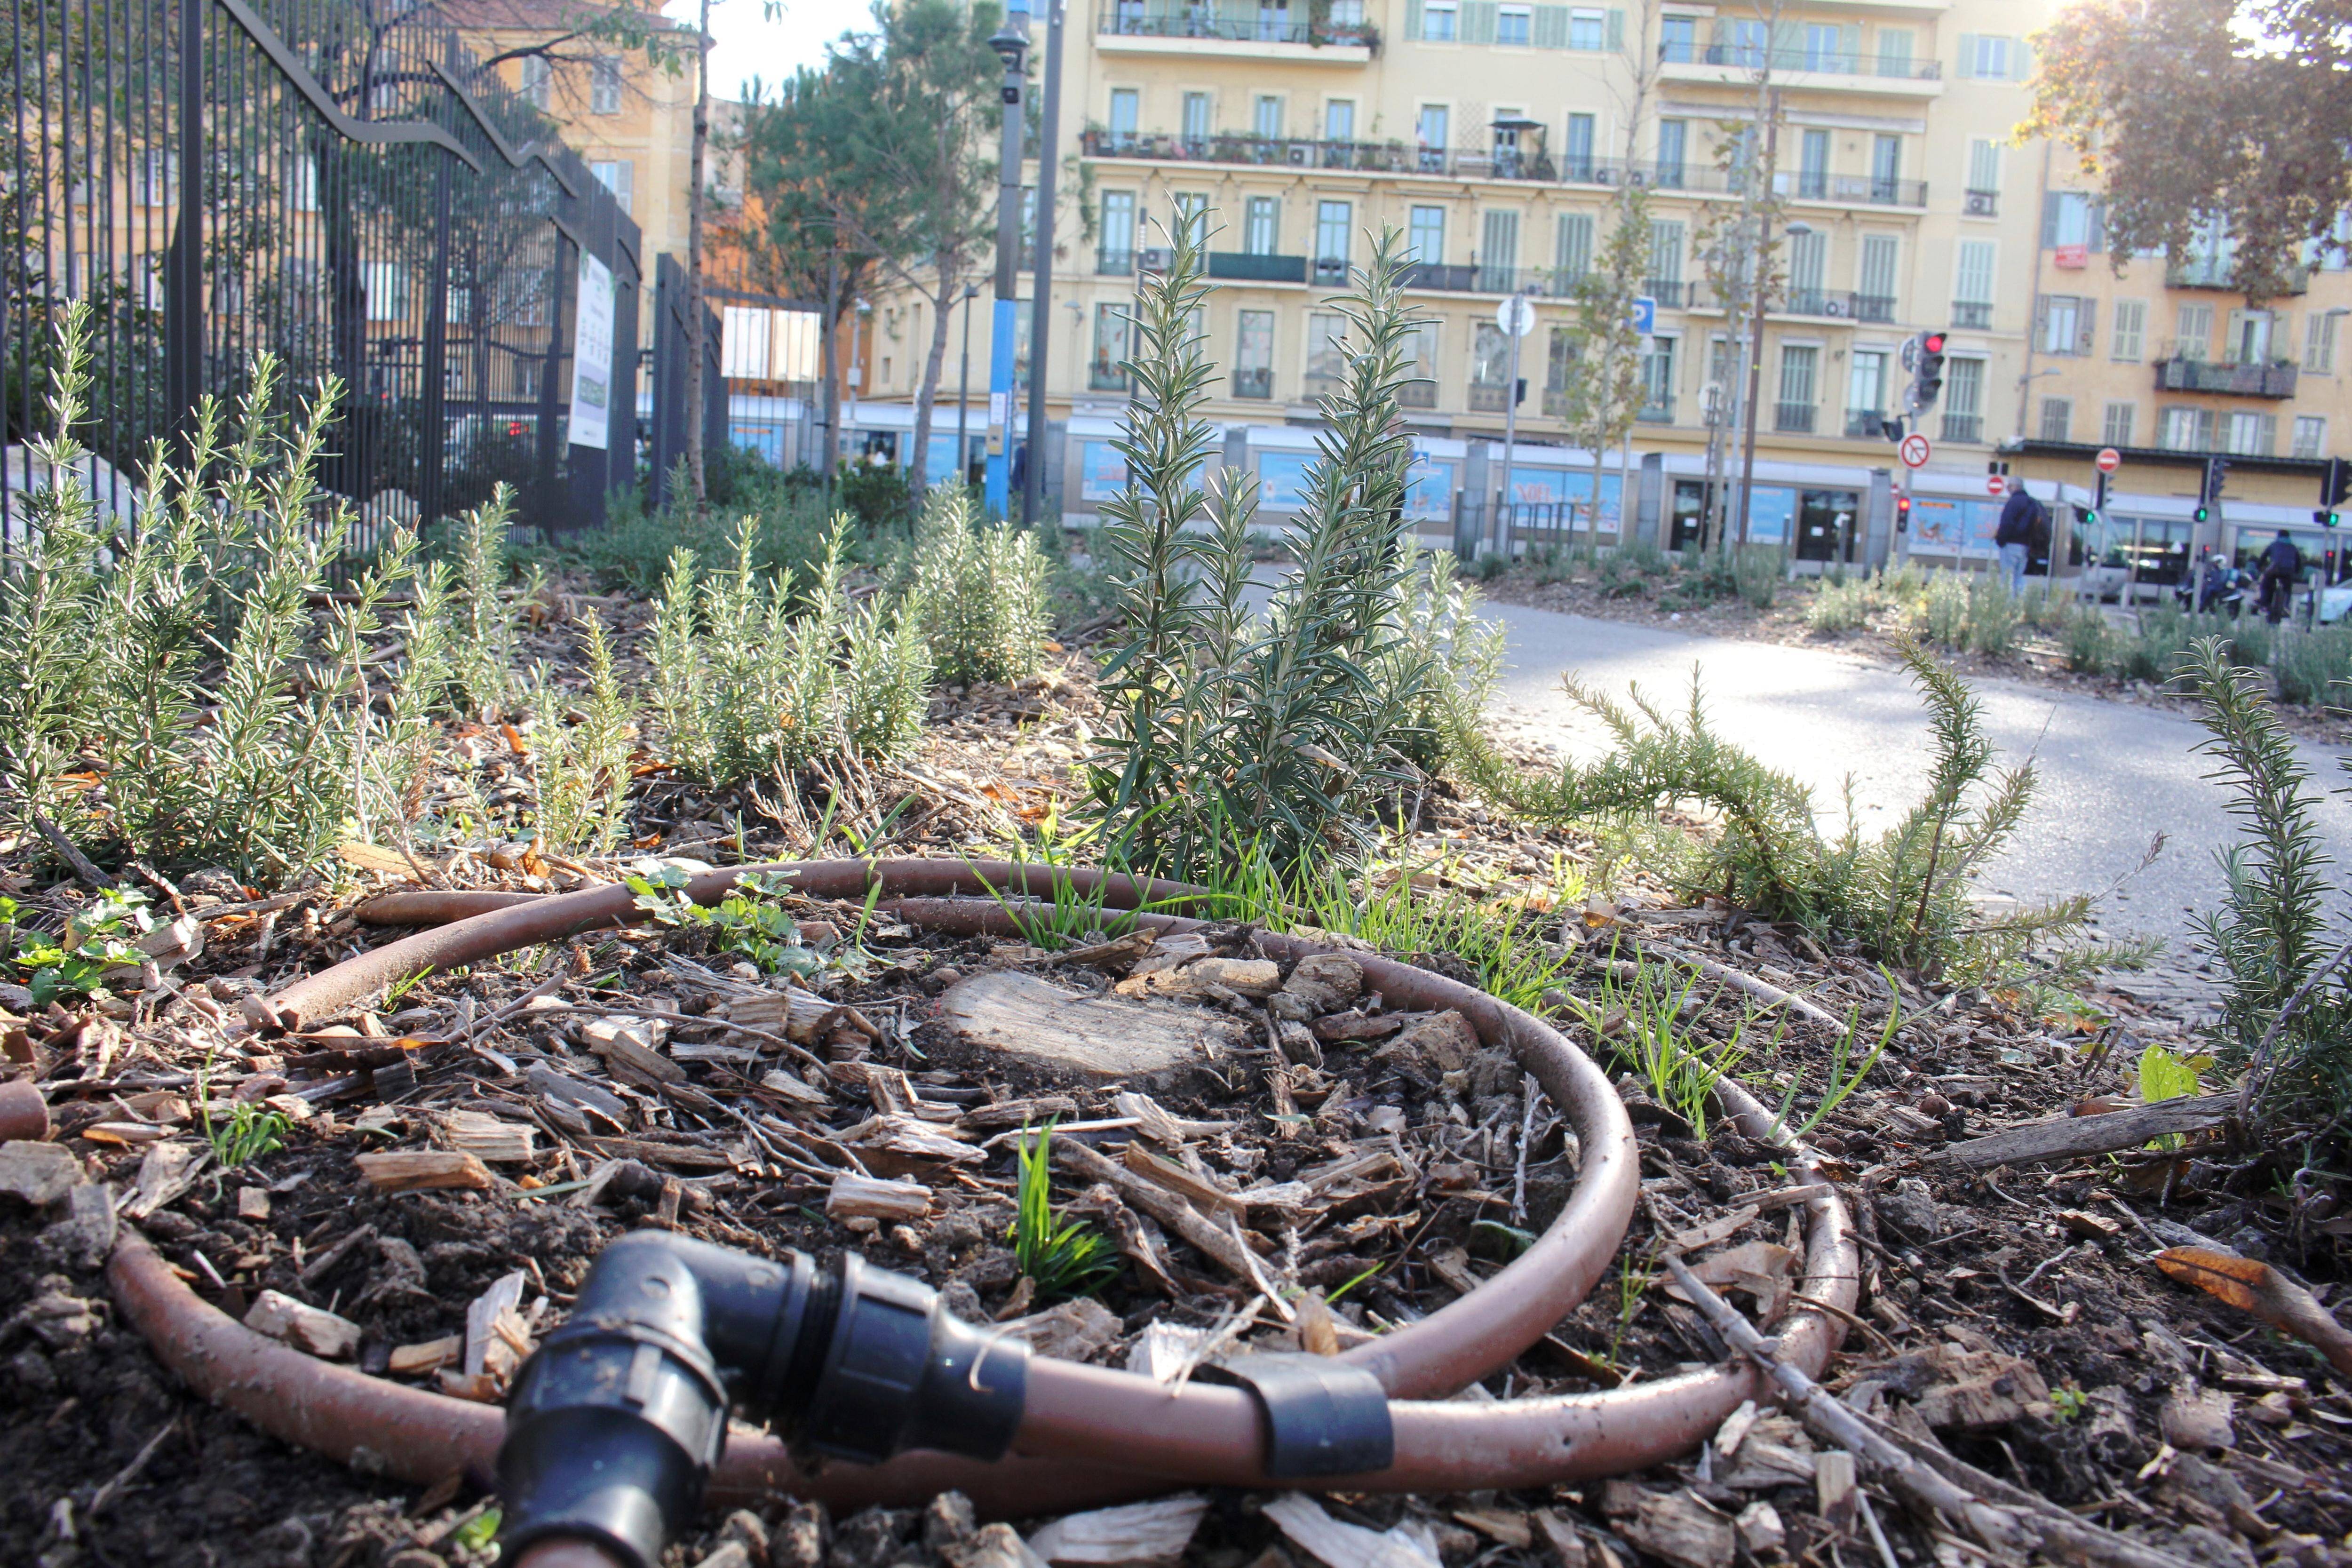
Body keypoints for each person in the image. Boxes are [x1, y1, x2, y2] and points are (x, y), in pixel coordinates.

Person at [1993, 478, 2041, 593]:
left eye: (2009, 487)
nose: (2008, 489)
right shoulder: (2032, 503)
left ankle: (2008, 607)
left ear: (2014, 487)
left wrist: (2000, 540)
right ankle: (2018, 604)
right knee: (2019, 578)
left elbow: (2007, 523)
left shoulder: (2013, 502)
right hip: (2025, 546)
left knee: (2008, 578)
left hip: (2010, 544)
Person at [2258, 530, 2304, 623]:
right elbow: (2299, 563)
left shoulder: (2274, 545)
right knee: (2287, 589)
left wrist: (2260, 567)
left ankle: (2265, 605)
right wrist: (2297, 573)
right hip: (2288, 572)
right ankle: (2286, 605)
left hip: (2274, 570)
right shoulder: (2293, 548)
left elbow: (2263, 558)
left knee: (2266, 586)